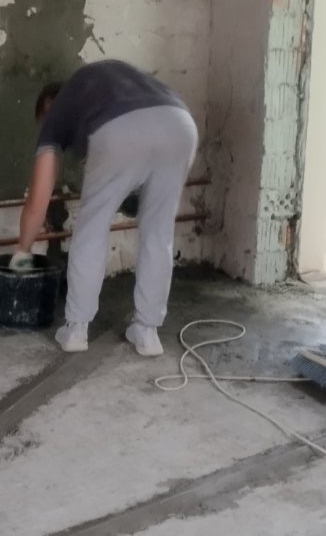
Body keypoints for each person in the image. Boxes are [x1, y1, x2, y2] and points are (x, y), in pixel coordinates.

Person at [11, 59, 197, 356]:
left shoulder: (56, 114)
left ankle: (76, 330)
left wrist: (22, 252)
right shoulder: (100, 87)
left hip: (121, 129)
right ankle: (147, 332)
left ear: (48, 109)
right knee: (158, 233)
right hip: (180, 125)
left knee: (91, 230)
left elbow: (38, 200)